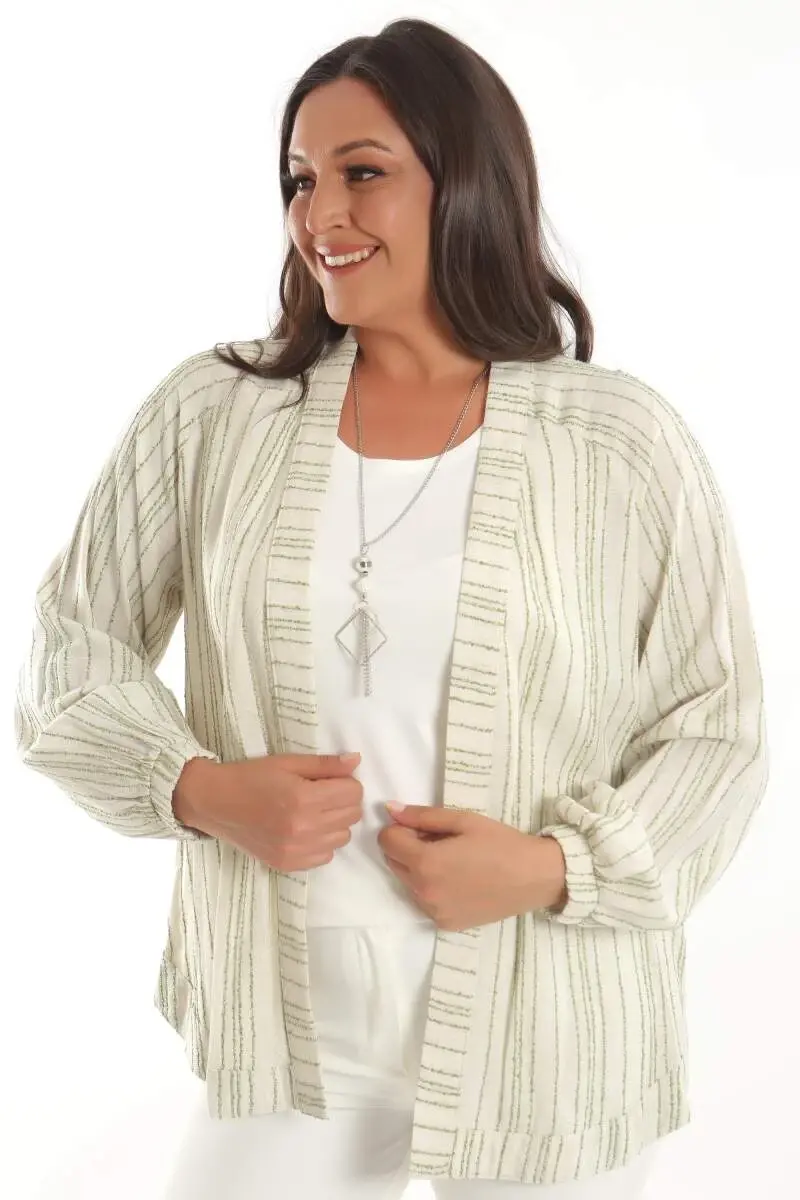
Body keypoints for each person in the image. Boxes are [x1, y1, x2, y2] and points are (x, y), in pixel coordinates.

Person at [13, 16, 768, 1200]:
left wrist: (551, 866)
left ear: (465, 181)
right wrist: (200, 790)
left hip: (546, 1033)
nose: (320, 214)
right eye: (298, 180)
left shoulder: (616, 439)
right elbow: (69, 652)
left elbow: (716, 727)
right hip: (292, 1035)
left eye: (362, 172)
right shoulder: (214, 414)